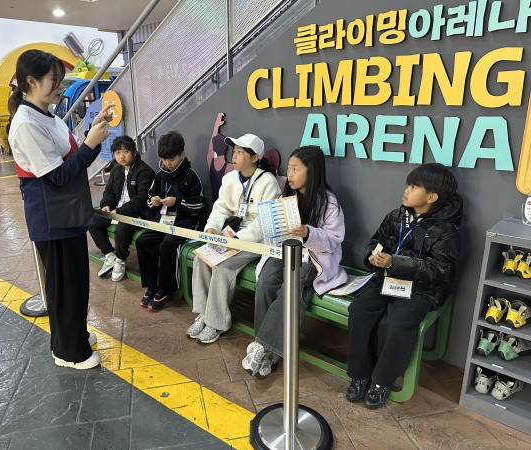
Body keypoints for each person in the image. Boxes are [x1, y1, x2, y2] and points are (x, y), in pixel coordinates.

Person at [8, 49, 112, 370]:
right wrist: (91, 143)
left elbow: (68, 159)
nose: (60, 87)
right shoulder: (26, 124)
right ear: (31, 81)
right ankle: (69, 352)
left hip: (66, 212)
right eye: (54, 80)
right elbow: (59, 176)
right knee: (64, 287)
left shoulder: (47, 116)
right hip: (51, 218)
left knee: (75, 282)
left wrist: (91, 134)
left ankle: (73, 335)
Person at [346, 163, 463, 409]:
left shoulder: (446, 230)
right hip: (388, 279)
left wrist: (395, 263)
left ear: (431, 197)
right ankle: (360, 374)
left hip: (423, 289)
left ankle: (381, 381)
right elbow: (377, 241)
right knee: (359, 309)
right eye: (408, 184)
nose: (406, 190)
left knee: (397, 323)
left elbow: (441, 272)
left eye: (414, 187)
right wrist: (373, 256)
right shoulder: (397, 216)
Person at [244, 145, 347, 377]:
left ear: (312, 171)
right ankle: (267, 351)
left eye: (295, 169)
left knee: (292, 286)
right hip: (285, 251)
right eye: (289, 168)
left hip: (313, 258)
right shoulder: (286, 197)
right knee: (265, 281)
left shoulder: (329, 202)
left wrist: (309, 233)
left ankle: (262, 346)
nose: (289, 174)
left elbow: (334, 239)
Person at [186, 133, 281, 344]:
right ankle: (203, 313)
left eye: (240, 152)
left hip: (253, 241)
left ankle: (217, 322)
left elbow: (264, 223)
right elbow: (220, 208)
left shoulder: (268, 182)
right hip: (228, 236)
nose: (234, 155)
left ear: (255, 157)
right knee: (202, 258)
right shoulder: (230, 178)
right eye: (234, 151)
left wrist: (237, 238)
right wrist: (212, 228)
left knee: (222, 266)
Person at [135, 131, 205, 310]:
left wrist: (178, 202)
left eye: (171, 159)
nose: (167, 163)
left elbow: (199, 205)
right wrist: (154, 201)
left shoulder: (192, 176)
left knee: (168, 245)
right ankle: (152, 285)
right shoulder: (160, 176)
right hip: (164, 222)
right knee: (142, 241)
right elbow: (149, 197)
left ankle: (166, 289)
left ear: (183, 155)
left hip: (185, 224)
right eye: (164, 159)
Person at [88, 135, 155, 281]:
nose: (121, 156)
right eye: (118, 152)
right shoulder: (116, 170)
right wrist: (106, 205)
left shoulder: (144, 171)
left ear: (134, 152)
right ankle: (109, 254)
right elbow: (109, 192)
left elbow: (141, 200)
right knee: (92, 220)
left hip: (137, 213)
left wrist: (118, 211)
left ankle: (120, 259)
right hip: (116, 211)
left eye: (126, 151)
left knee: (121, 229)